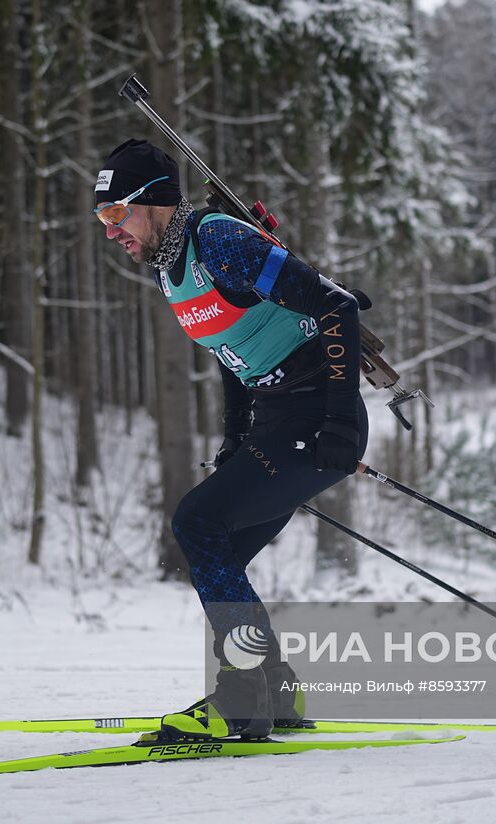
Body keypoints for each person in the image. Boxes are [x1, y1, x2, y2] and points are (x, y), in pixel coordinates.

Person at [93, 139, 369, 741]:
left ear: (154, 203)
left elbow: (337, 307)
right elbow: (231, 347)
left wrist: (343, 422)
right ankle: (275, 691)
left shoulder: (218, 240)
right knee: (218, 554)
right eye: (102, 218)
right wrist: (235, 437)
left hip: (314, 415)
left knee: (196, 524)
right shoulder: (171, 266)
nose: (110, 231)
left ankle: (241, 698)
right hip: (276, 417)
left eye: (116, 213)